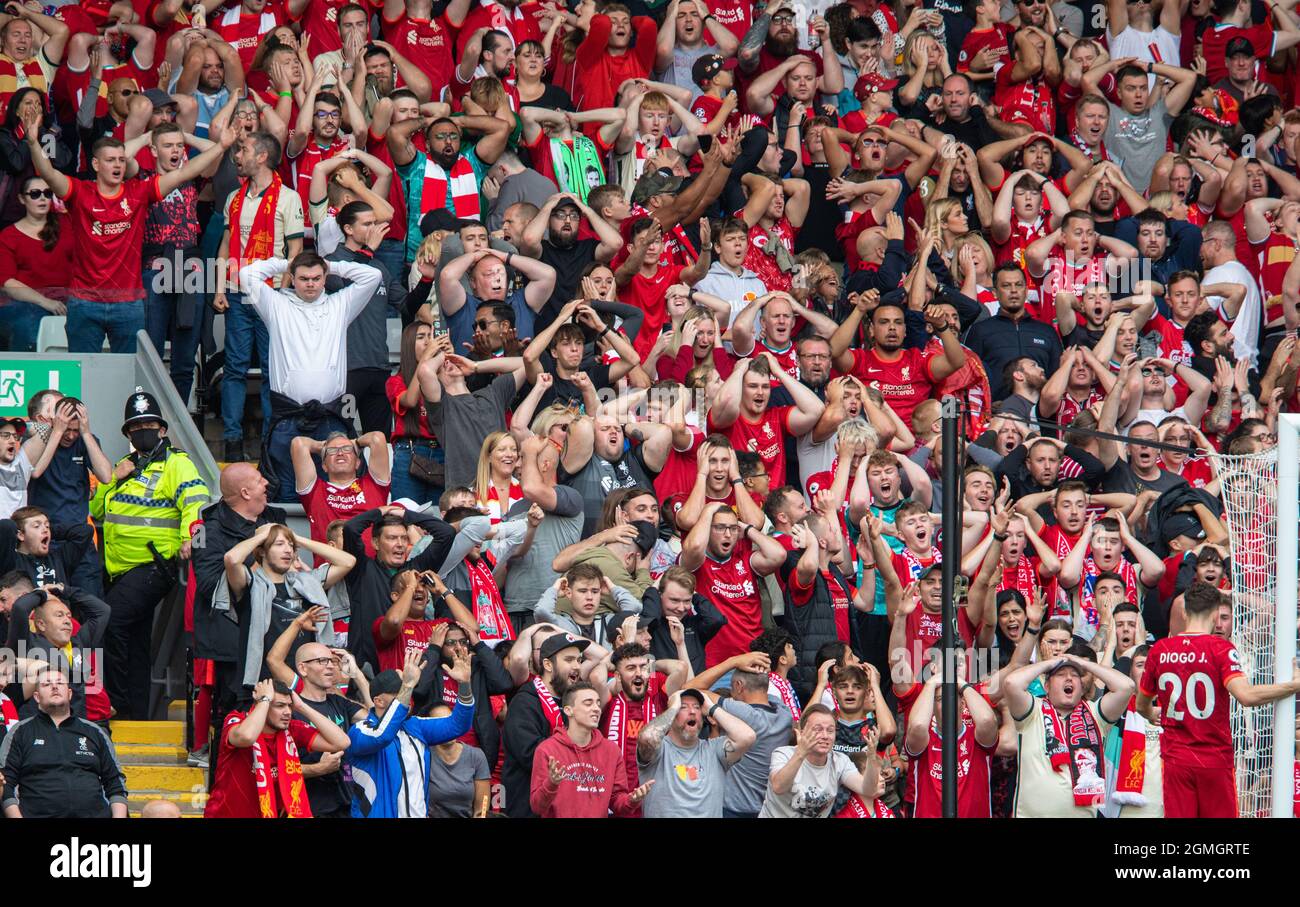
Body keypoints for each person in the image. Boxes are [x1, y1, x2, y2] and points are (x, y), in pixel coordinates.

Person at [92, 388, 209, 721]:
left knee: (110, 623)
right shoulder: (122, 467)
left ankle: (117, 705)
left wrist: (193, 541)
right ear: (128, 434)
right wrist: (111, 478)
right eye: (135, 426)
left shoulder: (177, 464)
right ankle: (137, 717)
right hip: (118, 571)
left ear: (162, 429)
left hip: (153, 567)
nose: (142, 430)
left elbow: (197, 504)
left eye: (148, 424)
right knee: (136, 642)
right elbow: (95, 508)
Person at [1138, 581, 1300, 818]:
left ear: (1184, 611)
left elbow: (1142, 703)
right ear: (1216, 615)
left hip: (1176, 761)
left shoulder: (1160, 649)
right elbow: (1246, 696)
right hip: (1213, 760)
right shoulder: (1220, 649)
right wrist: (1292, 686)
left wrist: (1151, 714)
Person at [237, 251, 383, 502]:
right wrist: (286, 263)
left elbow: (373, 275)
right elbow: (246, 274)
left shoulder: (340, 305)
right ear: (292, 278)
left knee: (336, 493)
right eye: (304, 278)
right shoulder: (276, 304)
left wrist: (333, 264)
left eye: (317, 277)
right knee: (285, 493)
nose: (311, 284)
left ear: (325, 278)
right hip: (287, 419)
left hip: (330, 417)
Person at [203, 678, 352, 818]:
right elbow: (246, 737)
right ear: (262, 704)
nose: (287, 712)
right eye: (280, 706)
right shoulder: (236, 720)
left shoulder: (292, 729)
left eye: (289, 705)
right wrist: (264, 700)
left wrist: (302, 707)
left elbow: (342, 742)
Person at [0, 667, 126, 818]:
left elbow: (115, 783)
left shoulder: (95, 731)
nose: (54, 686)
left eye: (60, 683)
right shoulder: (19, 732)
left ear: (70, 693)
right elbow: (5, 784)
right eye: (47, 684)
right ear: (36, 697)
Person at [531, 681, 654, 817]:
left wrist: (631, 800)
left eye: (598, 703)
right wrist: (551, 783)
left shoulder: (611, 751)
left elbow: (617, 802)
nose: (596, 708)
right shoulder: (547, 750)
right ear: (568, 710)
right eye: (588, 703)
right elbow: (537, 807)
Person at [501, 630, 589, 818]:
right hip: (528, 809)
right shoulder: (524, 703)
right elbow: (531, 755)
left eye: (579, 660)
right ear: (548, 664)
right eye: (569, 660)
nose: (576, 666)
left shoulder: (574, 704)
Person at [637, 686, 757, 818]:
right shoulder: (660, 749)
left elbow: (747, 736)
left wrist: (711, 708)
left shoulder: (714, 750)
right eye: (683, 707)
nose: (692, 711)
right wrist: (673, 708)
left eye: (697, 707)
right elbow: (647, 738)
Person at [760, 703, 879, 818]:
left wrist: (872, 757)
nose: (825, 736)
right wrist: (801, 753)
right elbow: (778, 787)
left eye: (830, 730)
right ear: (802, 732)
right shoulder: (783, 754)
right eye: (818, 729)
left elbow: (868, 790)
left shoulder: (840, 761)